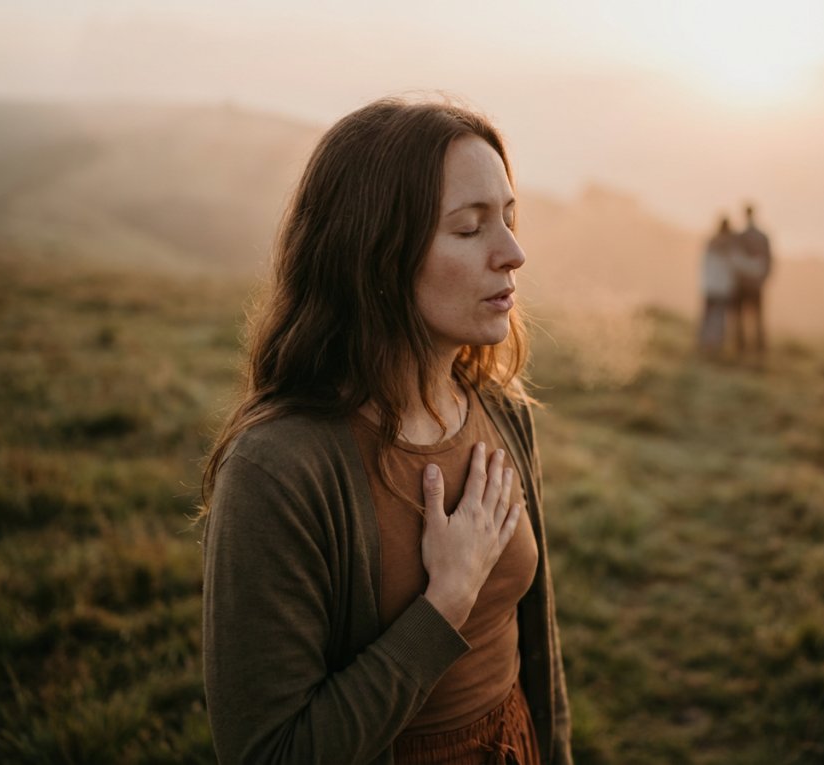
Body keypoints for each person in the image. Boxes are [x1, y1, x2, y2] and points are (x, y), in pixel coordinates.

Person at [199, 98, 571, 765]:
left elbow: (536, 656)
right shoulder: (277, 473)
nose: (513, 253)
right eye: (469, 228)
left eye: (509, 219)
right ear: (376, 256)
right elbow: (269, 752)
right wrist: (445, 601)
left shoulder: (501, 412)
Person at [729, 205, 773, 355]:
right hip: (755, 284)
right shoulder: (763, 237)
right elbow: (769, 261)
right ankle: (759, 349)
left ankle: (740, 348)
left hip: (741, 283)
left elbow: (733, 260)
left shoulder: (738, 236)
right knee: (757, 319)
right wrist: (763, 279)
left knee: (740, 317)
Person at [697, 216, 738, 352]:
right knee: (719, 319)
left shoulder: (711, 242)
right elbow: (737, 264)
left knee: (706, 318)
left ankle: (702, 344)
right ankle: (715, 346)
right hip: (722, 288)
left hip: (709, 286)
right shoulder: (730, 246)